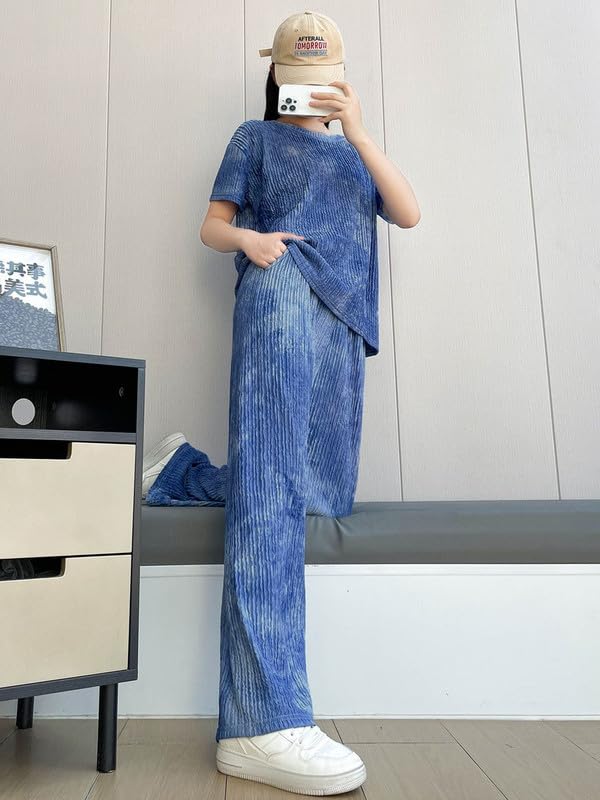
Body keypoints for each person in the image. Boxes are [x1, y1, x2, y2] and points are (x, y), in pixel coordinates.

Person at [142, 10, 420, 796]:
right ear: (278, 78)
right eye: (296, 82)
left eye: (322, 82)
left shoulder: (354, 150)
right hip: (281, 295)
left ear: (340, 80)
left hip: (344, 325)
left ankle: (185, 472)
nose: (308, 94)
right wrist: (253, 243)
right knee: (269, 496)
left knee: (317, 492)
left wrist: (359, 130)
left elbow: (408, 212)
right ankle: (262, 721)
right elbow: (212, 227)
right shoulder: (253, 139)